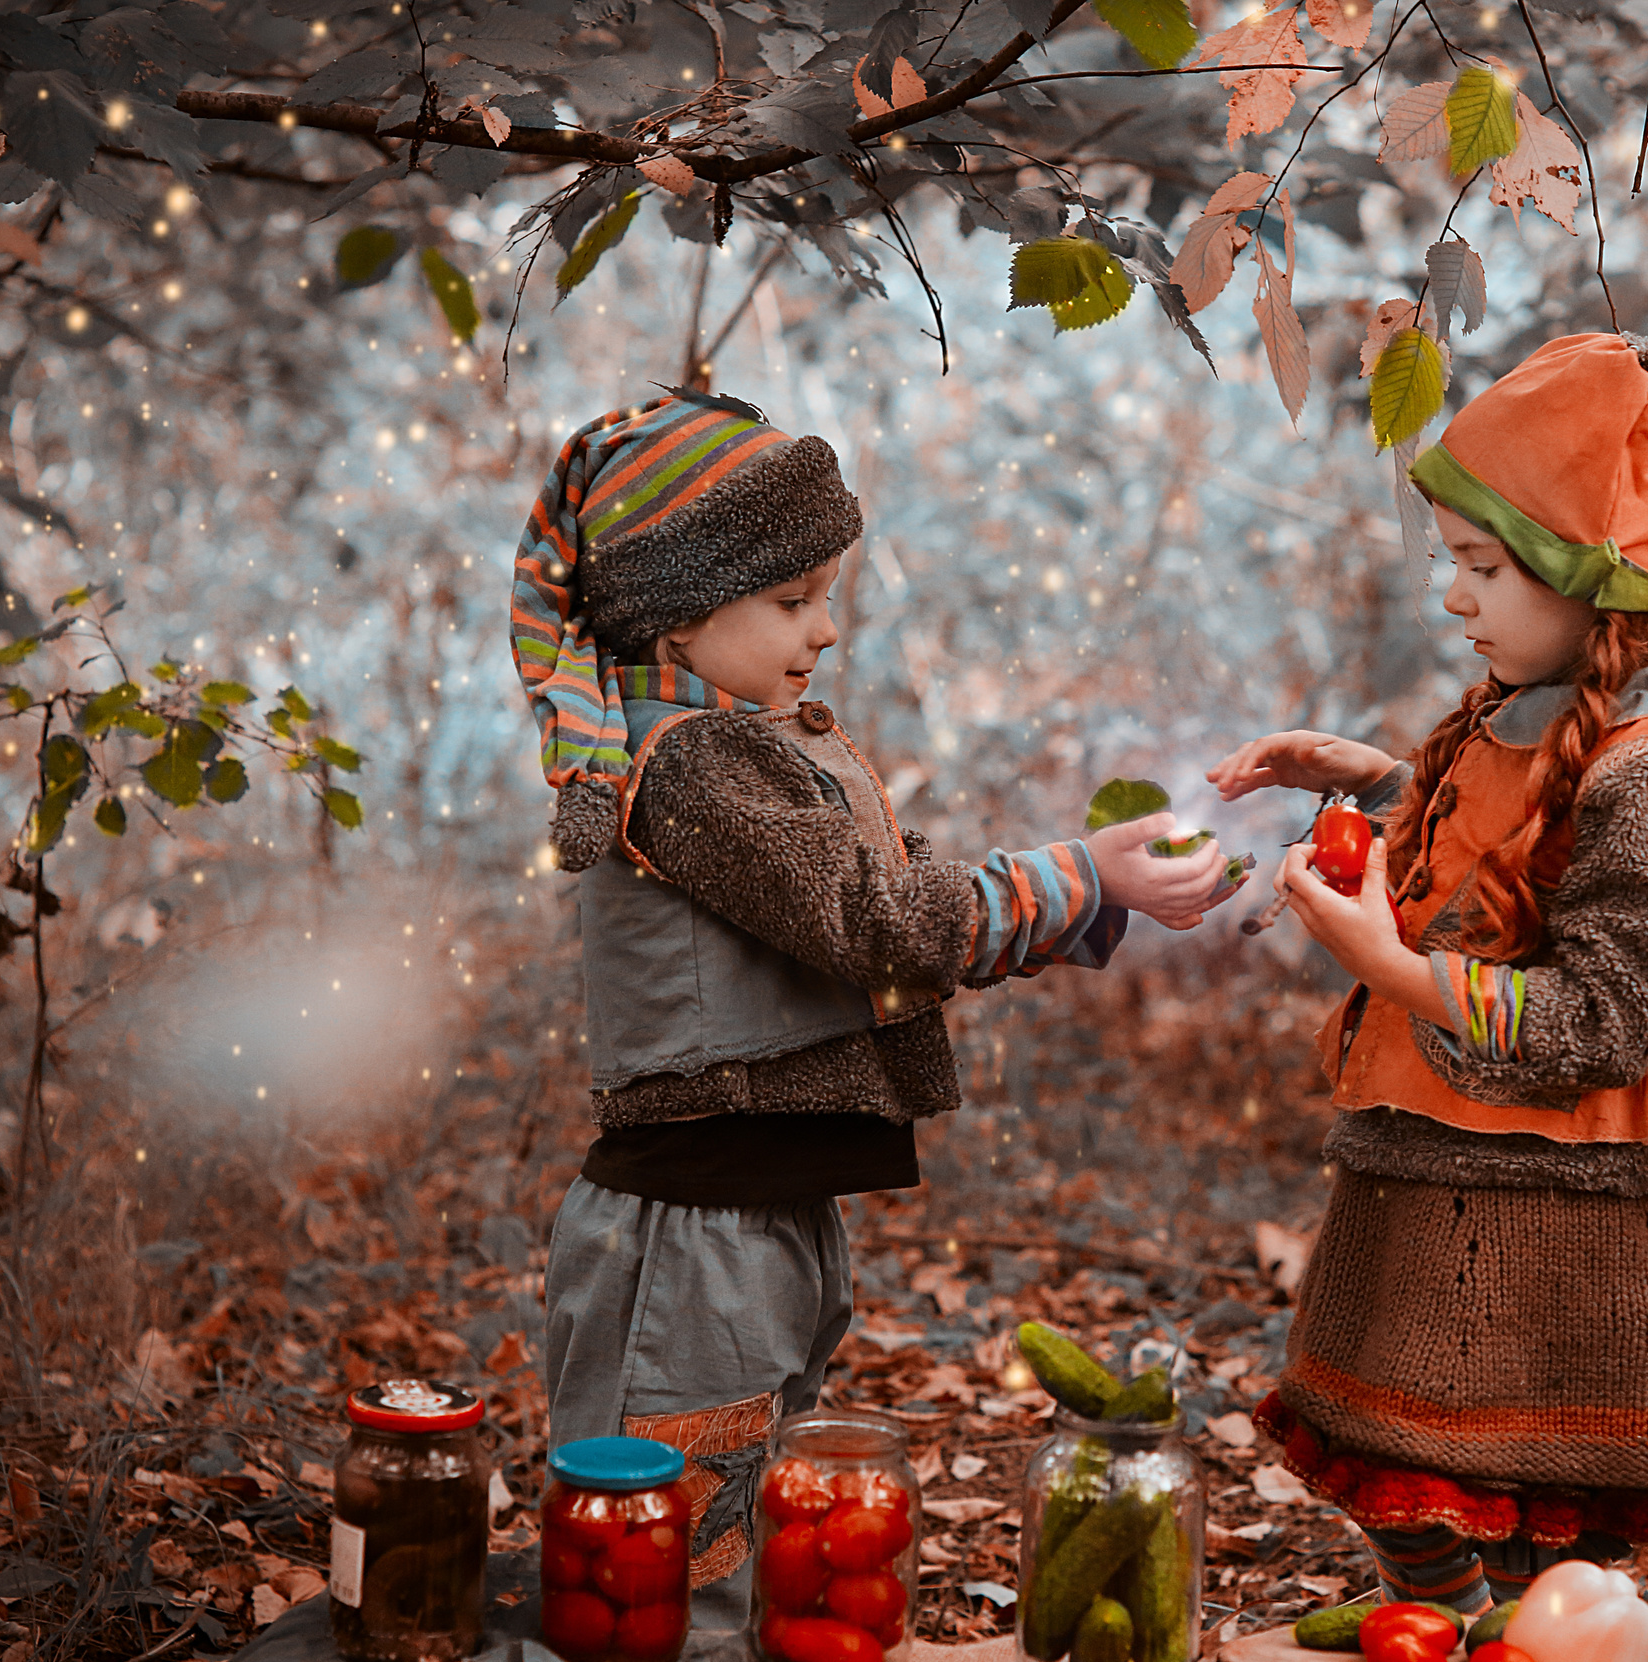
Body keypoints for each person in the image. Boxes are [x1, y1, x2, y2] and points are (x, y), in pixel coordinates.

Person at [510, 388, 1233, 1586]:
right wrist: (1078, 874)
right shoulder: (690, 766)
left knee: (744, 1522)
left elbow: (910, 927)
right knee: (665, 1540)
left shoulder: (758, 749)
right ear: (676, 623)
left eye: (828, 595)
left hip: (773, 1209)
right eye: (791, 600)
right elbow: (884, 926)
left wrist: (1101, 892)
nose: (825, 629)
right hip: (693, 1230)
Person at [1207, 332, 1648, 1614]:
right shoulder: (1525, 708)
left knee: (1538, 1498)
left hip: (1558, 1213)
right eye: (1452, 564)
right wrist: (1370, 777)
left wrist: (1386, 962)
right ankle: (1452, 1638)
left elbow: (1597, 1023)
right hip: (1429, 1167)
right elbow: (1506, 845)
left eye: (1481, 567)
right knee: (1403, 1477)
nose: (1454, 597)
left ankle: (1517, 1651)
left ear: (1590, 578)